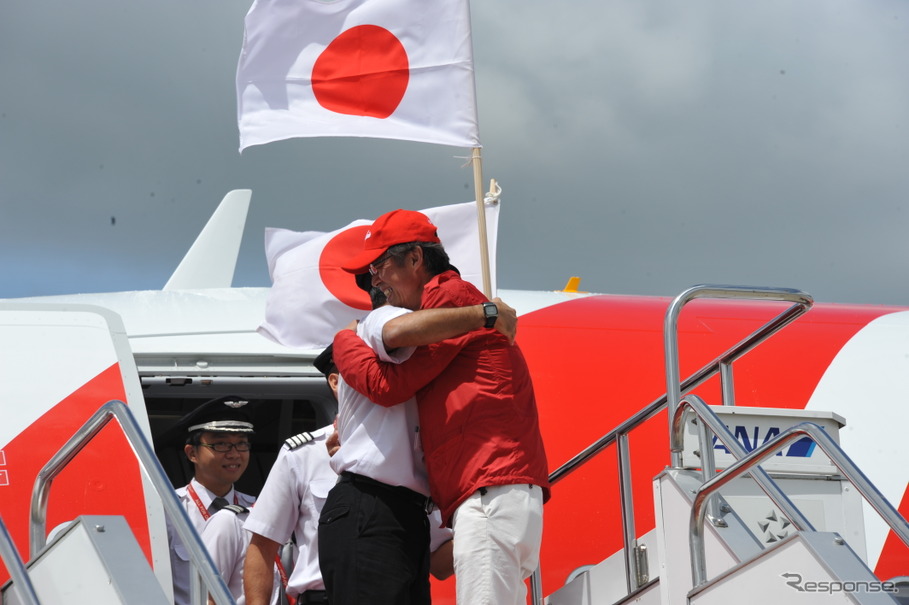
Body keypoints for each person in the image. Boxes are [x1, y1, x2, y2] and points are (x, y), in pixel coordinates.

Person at [332, 209, 551, 605]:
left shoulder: (448, 301)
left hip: (489, 487)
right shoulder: (451, 307)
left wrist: (343, 342)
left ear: (415, 259)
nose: (375, 281)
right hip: (494, 487)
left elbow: (387, 385)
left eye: (379, 266)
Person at [319, 279, 458, 605]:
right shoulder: (384, 318)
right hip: (372, 506)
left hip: (404, 513)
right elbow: (394, 331)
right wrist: (484, 315)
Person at [166, 396, 258, 605]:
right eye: (221, 444)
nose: (234, 454)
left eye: (242, 444)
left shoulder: (257, 509)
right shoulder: (169, 509)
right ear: (192, 453)